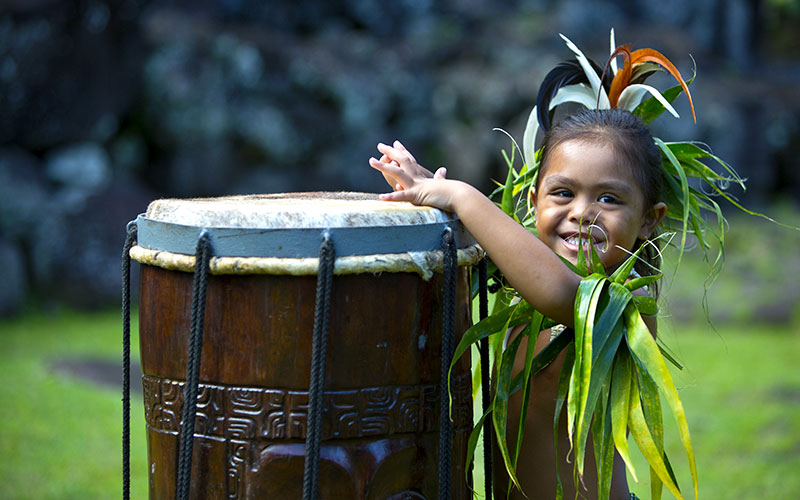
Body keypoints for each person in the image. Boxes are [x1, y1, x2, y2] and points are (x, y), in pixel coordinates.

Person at [368, 108, 667, 500]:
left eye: (608, 198)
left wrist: (461, 195)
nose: (580, 212)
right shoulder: (525, 276)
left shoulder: (627, 300)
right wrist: (427, 186)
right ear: (533, 199)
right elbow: (515, 254)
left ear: (649, 220)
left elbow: (562, 294)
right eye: (563, 193)